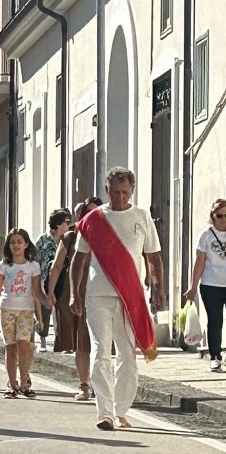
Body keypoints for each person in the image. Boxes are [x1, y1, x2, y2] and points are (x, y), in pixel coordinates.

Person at [70, 167, 165, 431]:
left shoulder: (143, 217)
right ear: (106, 190)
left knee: (127, 354)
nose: (121, 197)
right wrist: (74, 293)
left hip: (130, 296)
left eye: (125, 192)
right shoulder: (93, 220)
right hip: (97, 294)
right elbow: (78, 260)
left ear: (132, 190)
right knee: (102, 351)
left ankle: (121, 409)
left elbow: (154, 257)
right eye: (115, 192)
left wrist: (160, 291)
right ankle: (105, 412)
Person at [48, 197, 101, 400]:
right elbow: (57, 266)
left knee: (99, 342)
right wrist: (51, 292)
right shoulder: (71, 237)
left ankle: (100, 385)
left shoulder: (108, 235)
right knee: (81, 343)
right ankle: (85, 385)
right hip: (76, 292)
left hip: (99, 293)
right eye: (89, 212)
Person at [0, 228, 45, 398]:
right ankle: (12, 384)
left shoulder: (33, 266)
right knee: (10, 347)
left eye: (19, 242)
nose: (16, 245)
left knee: (24, 344)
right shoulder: (3, 266)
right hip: (7, 309)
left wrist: (40, 317)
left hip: (26, 311)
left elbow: (36, 292)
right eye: (13, 242)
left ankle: (24, 382)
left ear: (26, 244)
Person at [184, 197, 226, 372]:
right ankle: (215, 356)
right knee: (215, 321)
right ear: (213, 215)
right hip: (211, 285)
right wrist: (193, 287)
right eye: (219, 215)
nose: (223, 219)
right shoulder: (206, 235)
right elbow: (199, 263)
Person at [35, 208, 72, 352]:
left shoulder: (67, 241)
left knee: (62, 311)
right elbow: (36, 260)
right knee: (45, 309)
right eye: (66, 223)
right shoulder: (43, 240)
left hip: (62, 280)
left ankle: (63, 341)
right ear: (57, 225)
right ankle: (42, 339)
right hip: (45, 279)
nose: (68, 226)